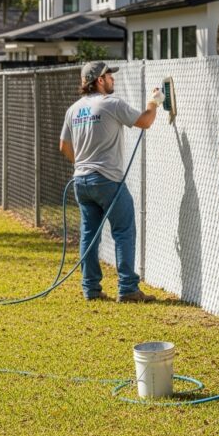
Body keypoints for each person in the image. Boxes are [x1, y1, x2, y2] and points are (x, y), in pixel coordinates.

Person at [60, 60, 165, 302]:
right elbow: (145, 121)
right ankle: (128, 289)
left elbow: (64, 146)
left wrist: (81, 165)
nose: (113, 79)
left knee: (89, 234)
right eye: (109, 76)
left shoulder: (73, 110)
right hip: (108, 181)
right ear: (99, 80)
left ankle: (91, 289)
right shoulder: (111, 104)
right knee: (123, 230)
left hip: (81, 181)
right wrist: (153, 103)